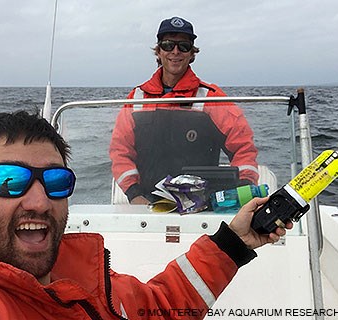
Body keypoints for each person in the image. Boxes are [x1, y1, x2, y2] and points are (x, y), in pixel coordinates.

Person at [0, 111, 291, 319]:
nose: (39, 200)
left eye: (56, 180)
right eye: (7, 180)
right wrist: (135, 193)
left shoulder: (84, 277)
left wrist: (233, 243)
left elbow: (159, 308)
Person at [110, 16, 259, 204]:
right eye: (167, 45)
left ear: (192, 53)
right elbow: (119, 150)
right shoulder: (137, 98)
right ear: (158, 51)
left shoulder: (210, 97)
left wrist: (244, 189)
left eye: (183, 46)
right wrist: (134, 194)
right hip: (146, 204)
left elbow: (243, 146)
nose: (175, 51)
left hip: (200, 205)